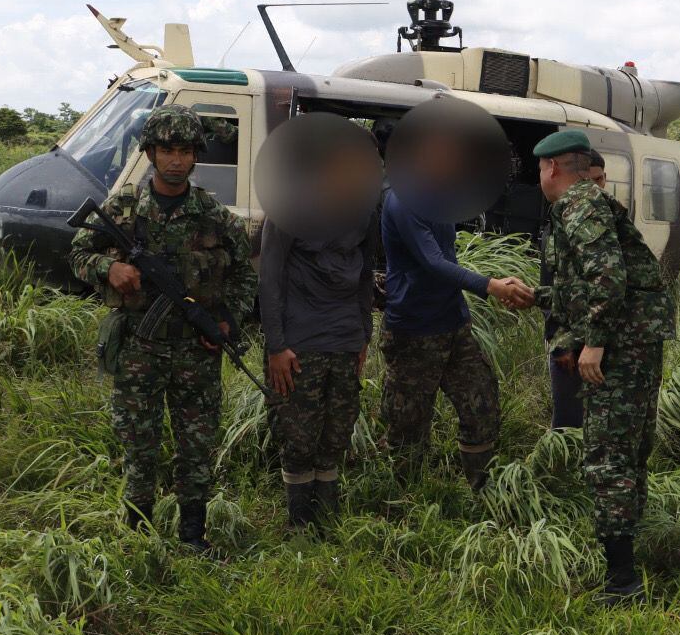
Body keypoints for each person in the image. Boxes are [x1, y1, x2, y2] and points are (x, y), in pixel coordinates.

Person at [68, 104, 257, 551]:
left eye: (185, 151)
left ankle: (193, 535)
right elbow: (77, 253)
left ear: (196, 156)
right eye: (167, 150)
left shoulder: (212, 214)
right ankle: (136, 536)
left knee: (197, 448)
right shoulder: (123, 209)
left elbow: (246, 274)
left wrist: (227, 321)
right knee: (139, 447)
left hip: (196, 351)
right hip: (139, 350)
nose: (176, 160)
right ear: (151, 153)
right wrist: (106, 270)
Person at [530, 129, 674, 605]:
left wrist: (594, 343)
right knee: (627, 448)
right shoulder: (584, 204)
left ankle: (623, 582)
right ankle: (630, 553)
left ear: (552, 168)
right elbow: (586, 284)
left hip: (621, 344)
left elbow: (607, 278)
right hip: (634, 336)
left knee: (609, 454)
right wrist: (536, 296)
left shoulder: (581, 206)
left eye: (540, 168)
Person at [379, 164, 533, 493]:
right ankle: (405, 501)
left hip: (453, 323)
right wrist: (492, 285)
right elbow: (433, 261)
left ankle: (480, 490)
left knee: (481, 400)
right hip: (413, 330)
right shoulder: (403, 200)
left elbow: (449, 255)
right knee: (408, 421)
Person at [260, 160, 377, 530]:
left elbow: (365, 273)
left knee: (337, 430)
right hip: (299, 344)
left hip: (344, 340)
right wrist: (276, 347)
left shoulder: (362, 211)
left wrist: (363, 334)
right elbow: (269, 280)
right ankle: (299, 524)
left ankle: (326, 519)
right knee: (297, 434)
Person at [539, 149, 606, 429]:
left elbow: (610, 284)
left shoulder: (609, 219)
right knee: (568, 423)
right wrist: (559, 344)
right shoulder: (559, 224)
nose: (592, 189)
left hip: (604, 344)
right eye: (587, 181)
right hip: (571, 343)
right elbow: (552, 289)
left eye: (599, 181)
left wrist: (597, 341)